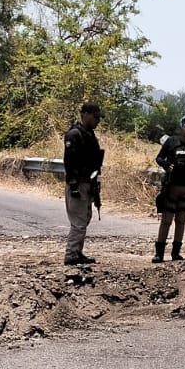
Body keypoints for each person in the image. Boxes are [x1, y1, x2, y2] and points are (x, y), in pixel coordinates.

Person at [152, 115, 185, 262]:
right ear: (181, 128)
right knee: (166, 220)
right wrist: (166, 165)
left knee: (181, 221)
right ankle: (159, 254)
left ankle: (176, 253)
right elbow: (159, 158)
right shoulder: (171, 142)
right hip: (172, 187)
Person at [62, 101, 104, 266]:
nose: (97, 121)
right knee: (79, 222)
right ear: (85, 114)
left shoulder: (88, 134)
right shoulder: (74, 135)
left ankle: (77, 252)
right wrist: (73, 186)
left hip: (87, 183)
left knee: (84, 219)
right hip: (78, 184)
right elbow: (70, 163)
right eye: (95, 117)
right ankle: (71, 255)